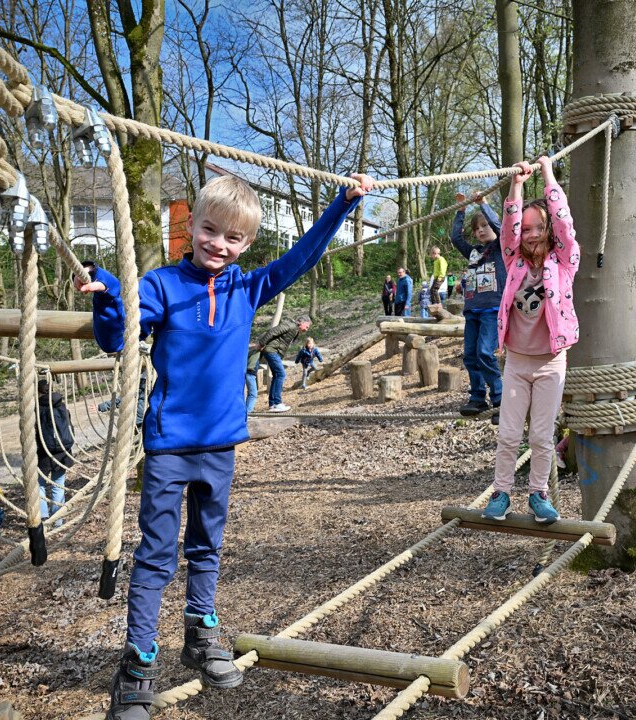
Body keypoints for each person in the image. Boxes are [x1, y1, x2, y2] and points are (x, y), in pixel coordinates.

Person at [77, 171, 375, 720]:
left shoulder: (247, 287)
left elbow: (303, 257)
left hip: (221, 447)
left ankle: (199, 633)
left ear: (246, 244)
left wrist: (343, 203)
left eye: (234, 238)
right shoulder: (163, 284)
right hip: (169, 445)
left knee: (207, 547)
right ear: (193, 227)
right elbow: (116, 339)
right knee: (156, 556)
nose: (220, 244)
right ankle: (139, 661)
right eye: (211, 230)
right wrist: (109, 297)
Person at [482, 155, 578, 526]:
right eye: (528, 228)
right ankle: (501, 492)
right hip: (518, 361)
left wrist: (548, 175)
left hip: (551, 360)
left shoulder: (565, 261)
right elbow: (508, 227)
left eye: (540, 228)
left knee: (541, 436)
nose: (533, 233)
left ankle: (538, 494)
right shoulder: (513, 263)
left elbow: (565, 223)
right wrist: (518, 186)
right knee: (507, 434)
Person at [451, 191, 507, 416]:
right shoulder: (474, 252)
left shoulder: (503, 247)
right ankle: (477, 398)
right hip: (472, 309)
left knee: (485, 352)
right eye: (477, 228)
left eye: (485, 225)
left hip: (492, 308)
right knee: (471, 355)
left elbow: (501, 227)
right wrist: (461, 211)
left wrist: (483, 204)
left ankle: (500, 399)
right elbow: (456, 239)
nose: (481, 230)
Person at [35, 378, 74, 527]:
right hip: (62, 453)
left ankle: (44, 517)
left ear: (38, 390)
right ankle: (58, 520)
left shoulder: (36, 409)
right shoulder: (62, 406)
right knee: (58, 485)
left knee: (40, 485)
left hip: (43, 453)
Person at [258, 317, 311, 412]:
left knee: (276, 376)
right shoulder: (290, 325)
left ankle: (273, 405)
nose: (306, 329)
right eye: (306, 327)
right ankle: (278, 403)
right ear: (301, 323)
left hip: (274, 352)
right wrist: (261, 344)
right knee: (281, 374)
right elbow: (273, 331)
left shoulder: (295, 331)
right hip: (271, 350)